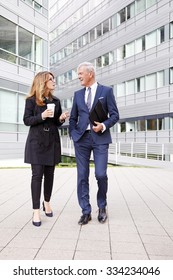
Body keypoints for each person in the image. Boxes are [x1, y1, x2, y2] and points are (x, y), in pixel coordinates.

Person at [69, 62, 119, 225]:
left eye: (81, 73)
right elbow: (73, 117)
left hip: (100, 139)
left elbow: (115, 115)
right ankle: (86, 211)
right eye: (78, 74)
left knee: (100, 174)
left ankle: (102, 206)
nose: (79, 77)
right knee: (82, 176)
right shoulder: (77, 94)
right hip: (81, 139)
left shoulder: (106, 91)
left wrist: (103, 126)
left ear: (90, 74)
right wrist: (73, 133)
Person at [23, 71, 68, 227]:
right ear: (42, 82)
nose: (54, 81)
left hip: (52, 142)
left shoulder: (56, 101)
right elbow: (27, 120)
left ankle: (46, 202)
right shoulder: (31, 101)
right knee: (37, 176)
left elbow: (55, 122)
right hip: (36, 143)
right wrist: (41, 116)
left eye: (54, 79)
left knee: (50, 175)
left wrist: (60, 119)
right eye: (51, 79)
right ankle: (36, 211)